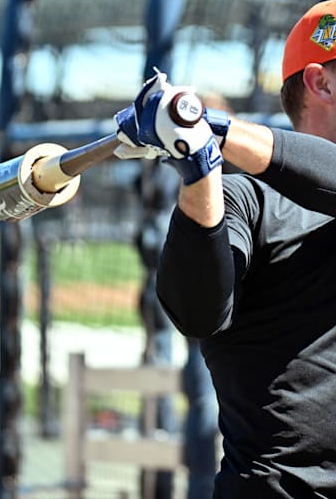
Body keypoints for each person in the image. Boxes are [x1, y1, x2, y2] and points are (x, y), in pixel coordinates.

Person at [114, 0, 336, 498]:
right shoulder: (243, 202)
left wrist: (214, 127)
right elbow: (196, 312)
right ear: (320, 82)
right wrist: (198, 168)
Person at [134, 92, 233, 499]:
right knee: (203, 401)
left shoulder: (215, 161)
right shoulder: (173, 163)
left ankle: (192, 486)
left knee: (202, 399)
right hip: (190, 294)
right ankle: (197, 489)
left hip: (191, 291)